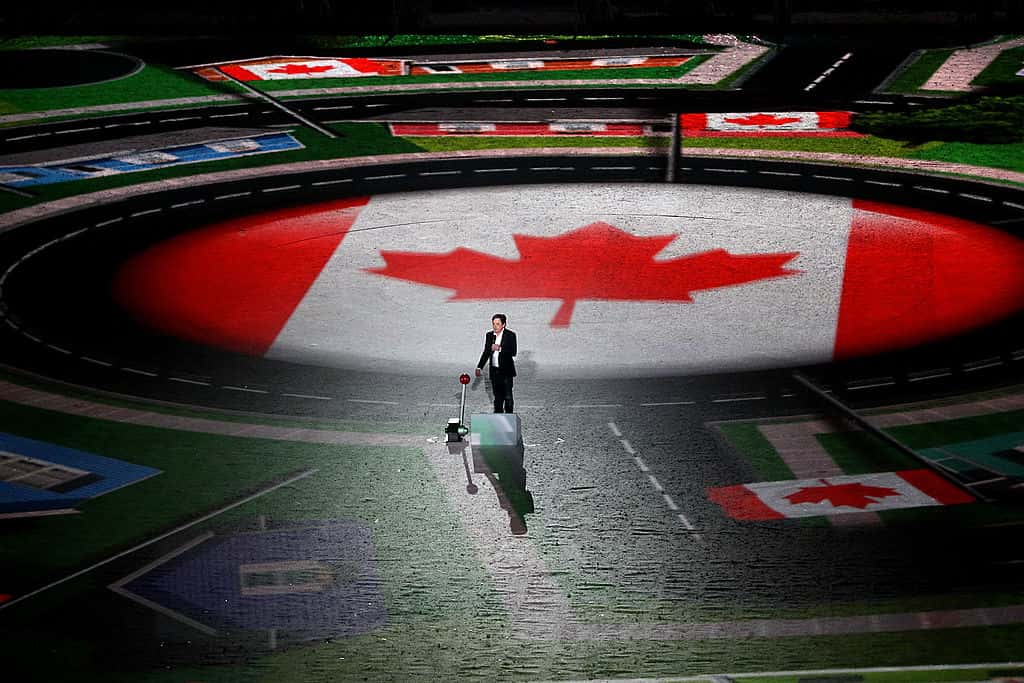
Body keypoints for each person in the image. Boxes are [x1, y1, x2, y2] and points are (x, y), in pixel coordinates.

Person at [475, 313, 517, 413]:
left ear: (503, 324)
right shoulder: (489, 335)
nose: (495, 326)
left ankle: (509, 418)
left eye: (497, 324)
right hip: (494, 371)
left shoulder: (510, 335)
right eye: (493, 324)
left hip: (506, 372)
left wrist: (500, 348)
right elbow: (486, 352)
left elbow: (513, 351)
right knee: (497, 398)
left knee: (508, 396)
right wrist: (479, 367)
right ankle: (498, 417)